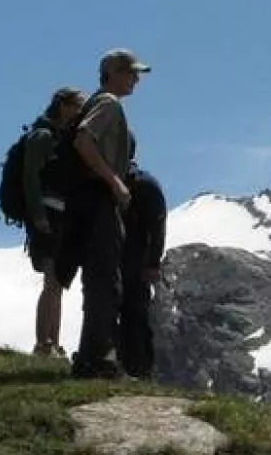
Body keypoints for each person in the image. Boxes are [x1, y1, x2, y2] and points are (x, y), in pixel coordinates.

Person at [68, 48, 150, 378]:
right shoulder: (108, 103)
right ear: (114, 72)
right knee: (105, 281)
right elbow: (83, 141)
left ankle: (92, 356)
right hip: (99, 199)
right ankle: (97, 360)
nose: (136, 80)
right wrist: (115, 182)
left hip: (86, 200)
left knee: (98, 279)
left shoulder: (98, 102)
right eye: (131, 73)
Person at [22, 86, 86, 358]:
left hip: (60, 214)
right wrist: (37, 215)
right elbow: (30, 177)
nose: (80, 112)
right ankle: (43, 343)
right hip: (47, 214)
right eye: (77, 106)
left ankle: (54, 342)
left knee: (57, 281)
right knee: (51, 280)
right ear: (63, 106)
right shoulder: (44, 136)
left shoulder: (60, 137)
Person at [118, 133, 167, 379]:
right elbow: (158, 225)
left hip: (134, 261)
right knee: (130, 314)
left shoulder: (143, 185)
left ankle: (137, 370)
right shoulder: (145, 183)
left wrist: (152, 263)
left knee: (133, 314)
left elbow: (157, 227)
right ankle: (129, 368)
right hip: (124, 259)